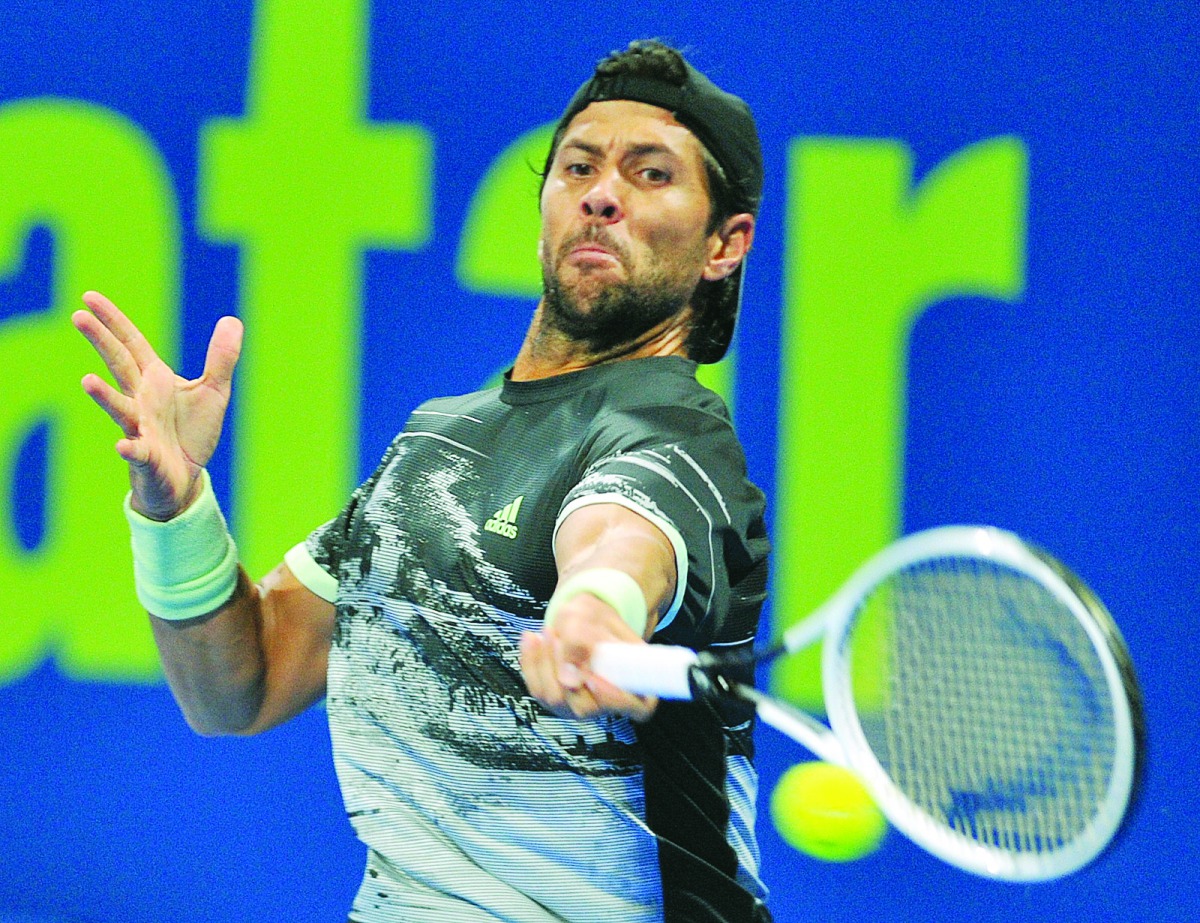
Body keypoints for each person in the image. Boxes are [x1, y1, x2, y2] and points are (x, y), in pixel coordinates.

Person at [73, 39, 771, 923]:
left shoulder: (677, 436)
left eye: (651, 174)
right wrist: (173, 511)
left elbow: (620, 536)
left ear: (724, 244)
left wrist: (595, 609)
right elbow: (239, 688)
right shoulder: (438, 439)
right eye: (579, 166)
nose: (602, 193)